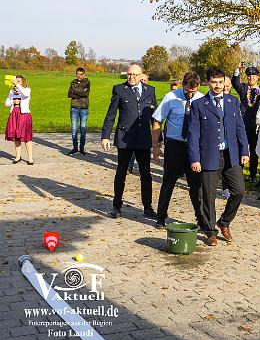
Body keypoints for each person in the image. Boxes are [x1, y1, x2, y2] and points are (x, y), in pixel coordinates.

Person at [189, 67, 249, 246]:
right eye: (214, 82)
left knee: (239, 190)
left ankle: (224, 222)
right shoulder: (198, 105)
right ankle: (210, 231)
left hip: (231, 155)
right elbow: (193, 133)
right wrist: (195, 158)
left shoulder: (233, 102)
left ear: (225, 83)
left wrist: (244, 151)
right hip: (208, 155)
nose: (217, 85)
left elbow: (240, 128)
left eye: (220, 82)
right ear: (208, 83)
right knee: (208, 195)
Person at [101, 64, 157, 219]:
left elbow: (155, 116)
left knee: (146, 174)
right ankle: (116, 206)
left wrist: (158, 138)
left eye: (134, 75)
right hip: (124, 138)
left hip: (143, 138)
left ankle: (147, 207)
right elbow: (111, 114)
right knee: (121, 173)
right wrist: (105, 135)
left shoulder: (149, 90)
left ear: (141, 76)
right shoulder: (119, 89)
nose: (131, 77)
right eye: (129, 74)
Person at [151, 71, 205, 229]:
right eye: (188, 91)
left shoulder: (202, 100)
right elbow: (157, 120)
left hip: (193, 147)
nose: (190, 94)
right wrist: (155, 146)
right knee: (168, 182)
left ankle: (200, 218)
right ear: (183, 85)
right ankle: (161, 216)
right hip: (174, 145)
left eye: (193, 91)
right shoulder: (171, 97)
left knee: (195, 185)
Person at [231, 65, 260, 184]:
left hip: (256, 125)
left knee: (254, 151)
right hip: (244, 124)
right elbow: (235, 83)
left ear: (258, 77)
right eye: (249, 76)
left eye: (253, 76)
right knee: (242, 149)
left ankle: (253, 174)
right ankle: (238, 174)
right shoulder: (244, 88)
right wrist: (237, 71)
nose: (251, 78)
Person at [5, 75, 34, 165]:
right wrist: (13, 102)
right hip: (14, 114)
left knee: (26, 137)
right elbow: (6, 103)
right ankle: (18, 156)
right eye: (15, 81)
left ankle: (30, 158)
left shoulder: (27, 90)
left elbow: (25, 95)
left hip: (24, 115)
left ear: (23, 82)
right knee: (16, 136)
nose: (16, 83)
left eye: (19, 81)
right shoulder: (12, 91)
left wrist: (19, 101)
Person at [67, 67, 90, 155]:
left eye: (81, 74)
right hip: (74, 108)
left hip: (84, 108)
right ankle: (75, 148)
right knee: (74, 129)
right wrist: (80, 94)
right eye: (78, 74)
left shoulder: (87, 82)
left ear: (83, 74)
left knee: (83, 129)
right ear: (76, 74)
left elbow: (86, 94)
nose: (79, 76)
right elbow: (69, 94)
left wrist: (75, 92)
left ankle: (82, 148)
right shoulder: (73, 82)